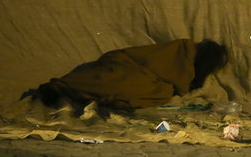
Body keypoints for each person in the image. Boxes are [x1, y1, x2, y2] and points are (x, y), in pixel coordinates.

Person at [22, 39, 227, 117]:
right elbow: (175, 75)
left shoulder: (189, 56)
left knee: (154, 90)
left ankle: (67, 92)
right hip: (125, 63)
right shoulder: (184, 48)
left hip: (141, 74)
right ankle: (61, 89)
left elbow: (175, 80)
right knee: (118, 81)